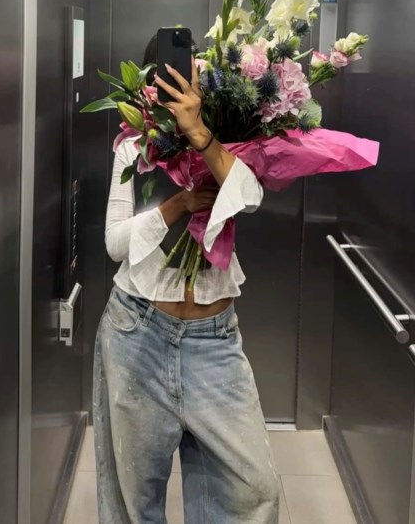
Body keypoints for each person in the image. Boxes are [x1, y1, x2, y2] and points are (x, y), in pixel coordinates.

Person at [93, 34, 280, 523]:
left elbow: (251, 196)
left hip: (214, 341)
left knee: (254, 492)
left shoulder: (226, 139)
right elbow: (115, 243)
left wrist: (200, 133)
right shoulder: (133, 147)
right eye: (166, 78)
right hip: (138, 333)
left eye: (190, 74)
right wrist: (177, 206)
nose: (178, 85)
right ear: (148, 86)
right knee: (135, 501)